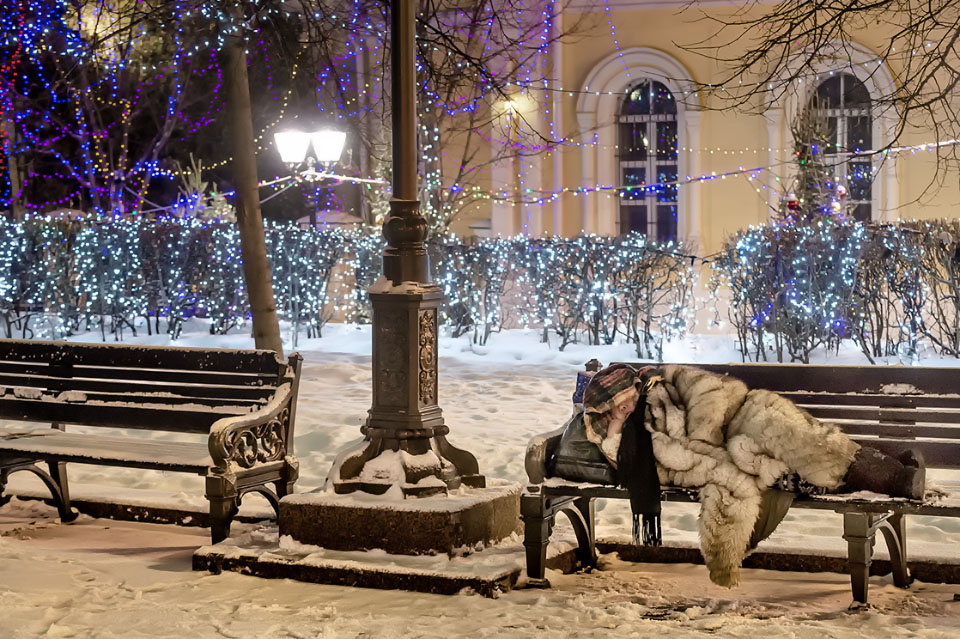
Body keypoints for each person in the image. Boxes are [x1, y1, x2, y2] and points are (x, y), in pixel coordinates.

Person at [576, 363, 926, 588]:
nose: (622, 410)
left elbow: (714, 392)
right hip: (731, 452)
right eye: (614, 411)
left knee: (792, 433)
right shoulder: (630, 441)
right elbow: (673, 465)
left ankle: (889, 473)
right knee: (786, 462)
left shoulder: (663, 379)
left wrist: (705, 435)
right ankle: (889, 473)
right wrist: (622, 425)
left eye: (623, 401)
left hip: (740, 416)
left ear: (630, 388)